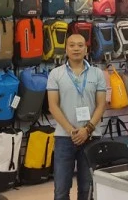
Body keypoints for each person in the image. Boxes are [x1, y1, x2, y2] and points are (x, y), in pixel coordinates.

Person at [46, 33, 107, 200]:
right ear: (66, 49)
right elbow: (53, 106)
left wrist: (87, 130)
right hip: (64, 138)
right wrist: (72, 131)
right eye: (72, 45)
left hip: (91, 137)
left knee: (87, 188)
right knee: (61, 189)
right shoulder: (55, 74)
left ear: (86, 50)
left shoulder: (97, 74)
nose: (76, 49)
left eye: (80, 45)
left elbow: (101, 105)